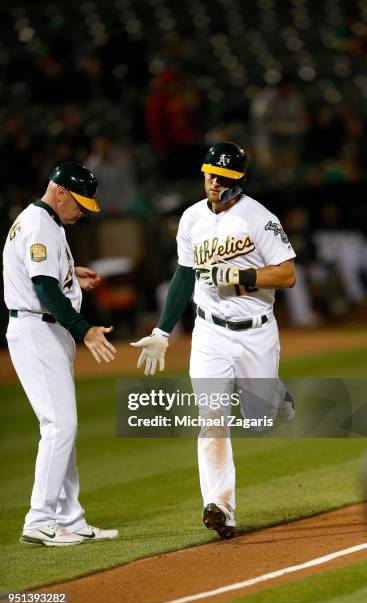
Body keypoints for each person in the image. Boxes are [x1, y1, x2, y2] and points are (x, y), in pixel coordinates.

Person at [131, 142, 296, 539]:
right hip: (209, 333)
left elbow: (287, 274)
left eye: (222, 177)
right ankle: (220, 505)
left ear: (238, 181)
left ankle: (274, 398)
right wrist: (161, 331)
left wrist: (244, 277)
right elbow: (183, 275)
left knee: (257, 420)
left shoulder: (259, 218)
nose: (213, 181)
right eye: (209, 173)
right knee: (212, 420)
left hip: (256, 331)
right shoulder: (190, 218)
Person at [3, 162, 119, 547]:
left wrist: (70, 272)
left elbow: (47, 276)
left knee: (61, 428)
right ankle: (39, 519)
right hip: (38, 330)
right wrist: (84, 330)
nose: (83, 211)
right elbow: (43, 288)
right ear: (60, 192)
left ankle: (70, 517)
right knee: (59, 426)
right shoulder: (38, 224)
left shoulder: (45, 221)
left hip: (46, 328)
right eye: (80, 202)